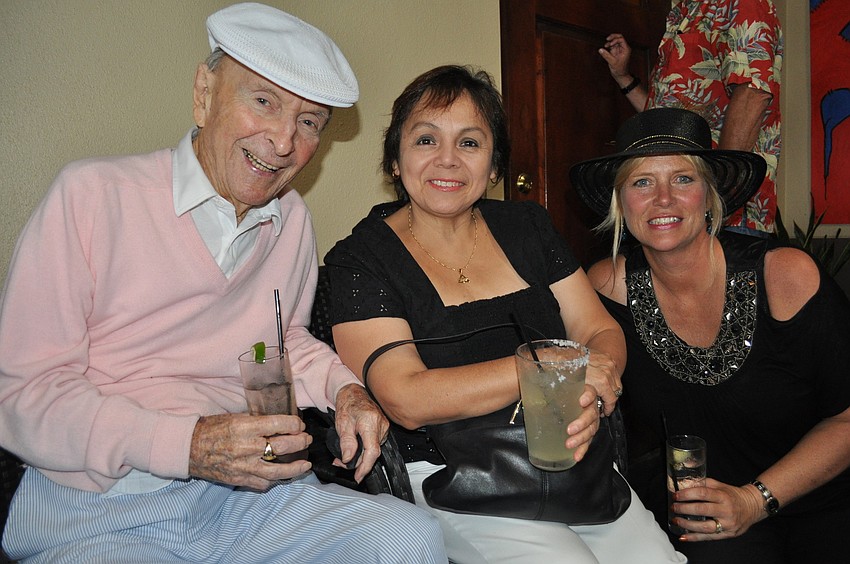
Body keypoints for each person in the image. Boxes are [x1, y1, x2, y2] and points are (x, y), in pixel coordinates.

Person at [0, 4, 446, 562]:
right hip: (99, 505)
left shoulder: (292, 220)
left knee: (408, 538)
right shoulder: (91, 196)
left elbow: (275, 346)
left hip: (245, 498)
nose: (284, 141)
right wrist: (186, 447)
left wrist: (343, 388)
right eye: (263, 101)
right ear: (205, 93)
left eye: (309, 122)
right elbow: (22, 397)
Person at [324, 65, 685, 564]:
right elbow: (406, 398)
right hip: (454, 481)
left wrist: (597, 382)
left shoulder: (528, 226)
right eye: (426, 140)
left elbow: (597, 329)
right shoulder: (360, 260)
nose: (447, 160)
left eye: (470, 143)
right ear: (394, 159)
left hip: (571, 462)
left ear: (494, 164)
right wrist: (543, 370)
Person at [571, 106, 850, 563]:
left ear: (709, 195)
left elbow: (846, 418)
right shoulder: (606, 287)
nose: (663, 199)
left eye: (682, 179)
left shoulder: (783, 276)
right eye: (642, 182)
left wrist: (754, 500)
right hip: (709, 512)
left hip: (822, 499)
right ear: (621, 202)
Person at [598, 0, 782, 236]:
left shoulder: (740, 3)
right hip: (684, 208)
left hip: (725, 216)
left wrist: (719, 193)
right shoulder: (684, 11)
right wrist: (624, 78)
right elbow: (667, 123)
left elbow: (752, 92)